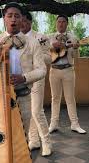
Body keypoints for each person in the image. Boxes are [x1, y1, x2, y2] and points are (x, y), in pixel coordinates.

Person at [0, 2, 47, 155]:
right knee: (1, 137)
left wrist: (24, 78)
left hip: (23, 95)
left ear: (22, 19)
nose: (13, 19)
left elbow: (42, 70)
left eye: (17, 16)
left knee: (20, 137)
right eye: (9, 16)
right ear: (4, 19)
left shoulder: (32, 42)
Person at [48, 15, 86, 134]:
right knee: (55, 98)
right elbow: (44, 52)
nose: (61, 24)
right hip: (54, 70)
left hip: (68, 70)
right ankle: (53, 124)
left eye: (63, 22)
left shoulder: (73, 37)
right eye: (59, 21)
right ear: (56, 23)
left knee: (70, 98)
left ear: (67, 24)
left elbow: (76, 56)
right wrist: (52, 46)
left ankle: (75, 124)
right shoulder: (49, 37)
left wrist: (75, 48)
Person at [20, 10, 52, 156]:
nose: (21, 23)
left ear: (29, 22)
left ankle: (46, 142)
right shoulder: (15, 39)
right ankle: (34, 140)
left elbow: (49, 58)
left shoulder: (41, 37)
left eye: (24, 20)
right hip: (21, 80)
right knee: (27, 111)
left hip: (37, 77)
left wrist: (36, 55)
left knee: (36, 111)